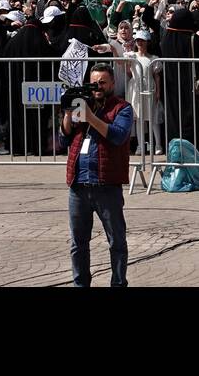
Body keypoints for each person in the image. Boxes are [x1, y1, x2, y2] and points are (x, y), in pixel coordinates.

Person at [60, 63, 134, 287]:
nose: (98, 87)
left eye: (102, 82)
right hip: (79, 184)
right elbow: (64, 139)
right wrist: (68, 113)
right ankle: (80, 284)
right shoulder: (84, 104)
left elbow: (118, 136)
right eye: (94, 83)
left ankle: (118, 283)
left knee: (116, 241)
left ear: (112, 83)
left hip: (106, 185)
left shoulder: (123, 108)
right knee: (78, 243)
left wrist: (90, 117)